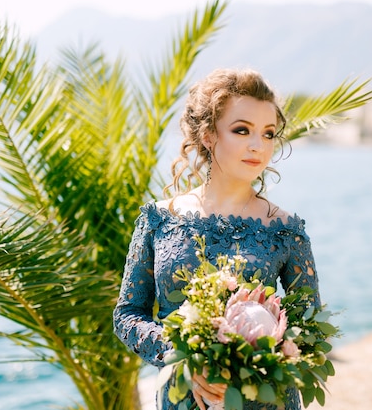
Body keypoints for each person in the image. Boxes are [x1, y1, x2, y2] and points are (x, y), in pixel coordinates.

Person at [113, 68, 321, 410]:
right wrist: (184, 356)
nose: (258, 146)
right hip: (183, 397)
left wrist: (254, 365)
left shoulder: (287, 230)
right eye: (242, 130)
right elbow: (128, 314)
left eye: (268, 134)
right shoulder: (159, 219)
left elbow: (309, 332)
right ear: (209, 135)